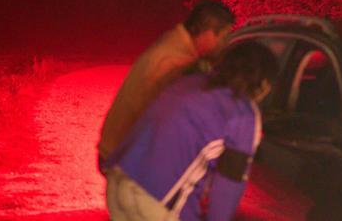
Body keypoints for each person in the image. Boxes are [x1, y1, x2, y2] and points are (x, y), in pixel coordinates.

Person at [103, 40, 279, 221]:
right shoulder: (243, 113)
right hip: (156, 198)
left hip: (119, 178)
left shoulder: (191, 81)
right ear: (264, 84)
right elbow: (228, 185)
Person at [98, 0, 235, 166]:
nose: (224, 44)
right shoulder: (175, 62)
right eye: (223, 37)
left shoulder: (175, 44)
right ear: (208, 32)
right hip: (124, 156)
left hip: (118, 148)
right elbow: (171, 124)